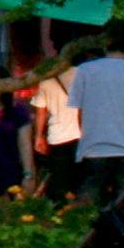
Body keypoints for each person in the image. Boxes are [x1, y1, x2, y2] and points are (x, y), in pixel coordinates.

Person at [61, 40, 124, 209]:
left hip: (94, 146)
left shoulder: (85, 71)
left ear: (105, 44)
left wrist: (87, 134)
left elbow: (79, 113)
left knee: (87, 207)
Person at [29, 51, 85, 195]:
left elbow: (41, 111)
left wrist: (38, 136)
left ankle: (59, 208)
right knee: (79, 179)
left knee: (59, 179)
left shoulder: (46, 79)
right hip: (82, 134)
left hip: (58, 135)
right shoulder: (82, 74)